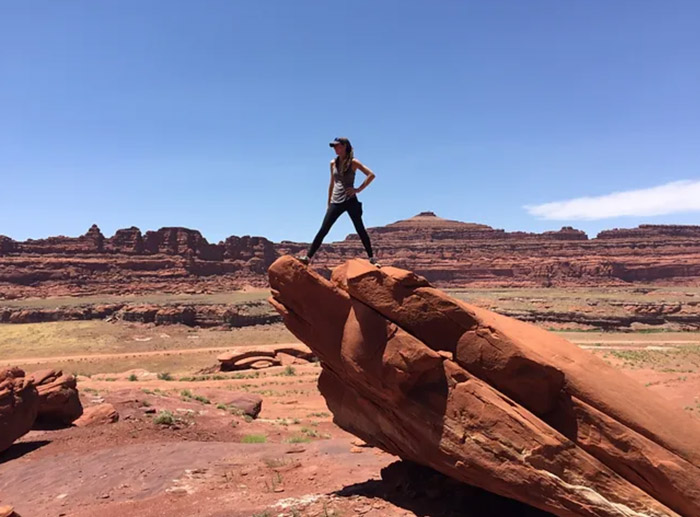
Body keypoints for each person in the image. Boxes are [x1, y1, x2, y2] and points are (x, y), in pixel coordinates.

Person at [297, 137, 379, 266]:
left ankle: (372, 258)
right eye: (334, 146)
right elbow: (331, 183)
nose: (335, 149)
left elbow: (371, 175)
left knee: (360, 229)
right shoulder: (333, 163)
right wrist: (328, 202)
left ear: (345, 146)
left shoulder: (353, 162)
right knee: (324, 229)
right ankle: (308, 257)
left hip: (350, 200)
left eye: (337, 146)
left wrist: (358, 189)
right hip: (336, 200)